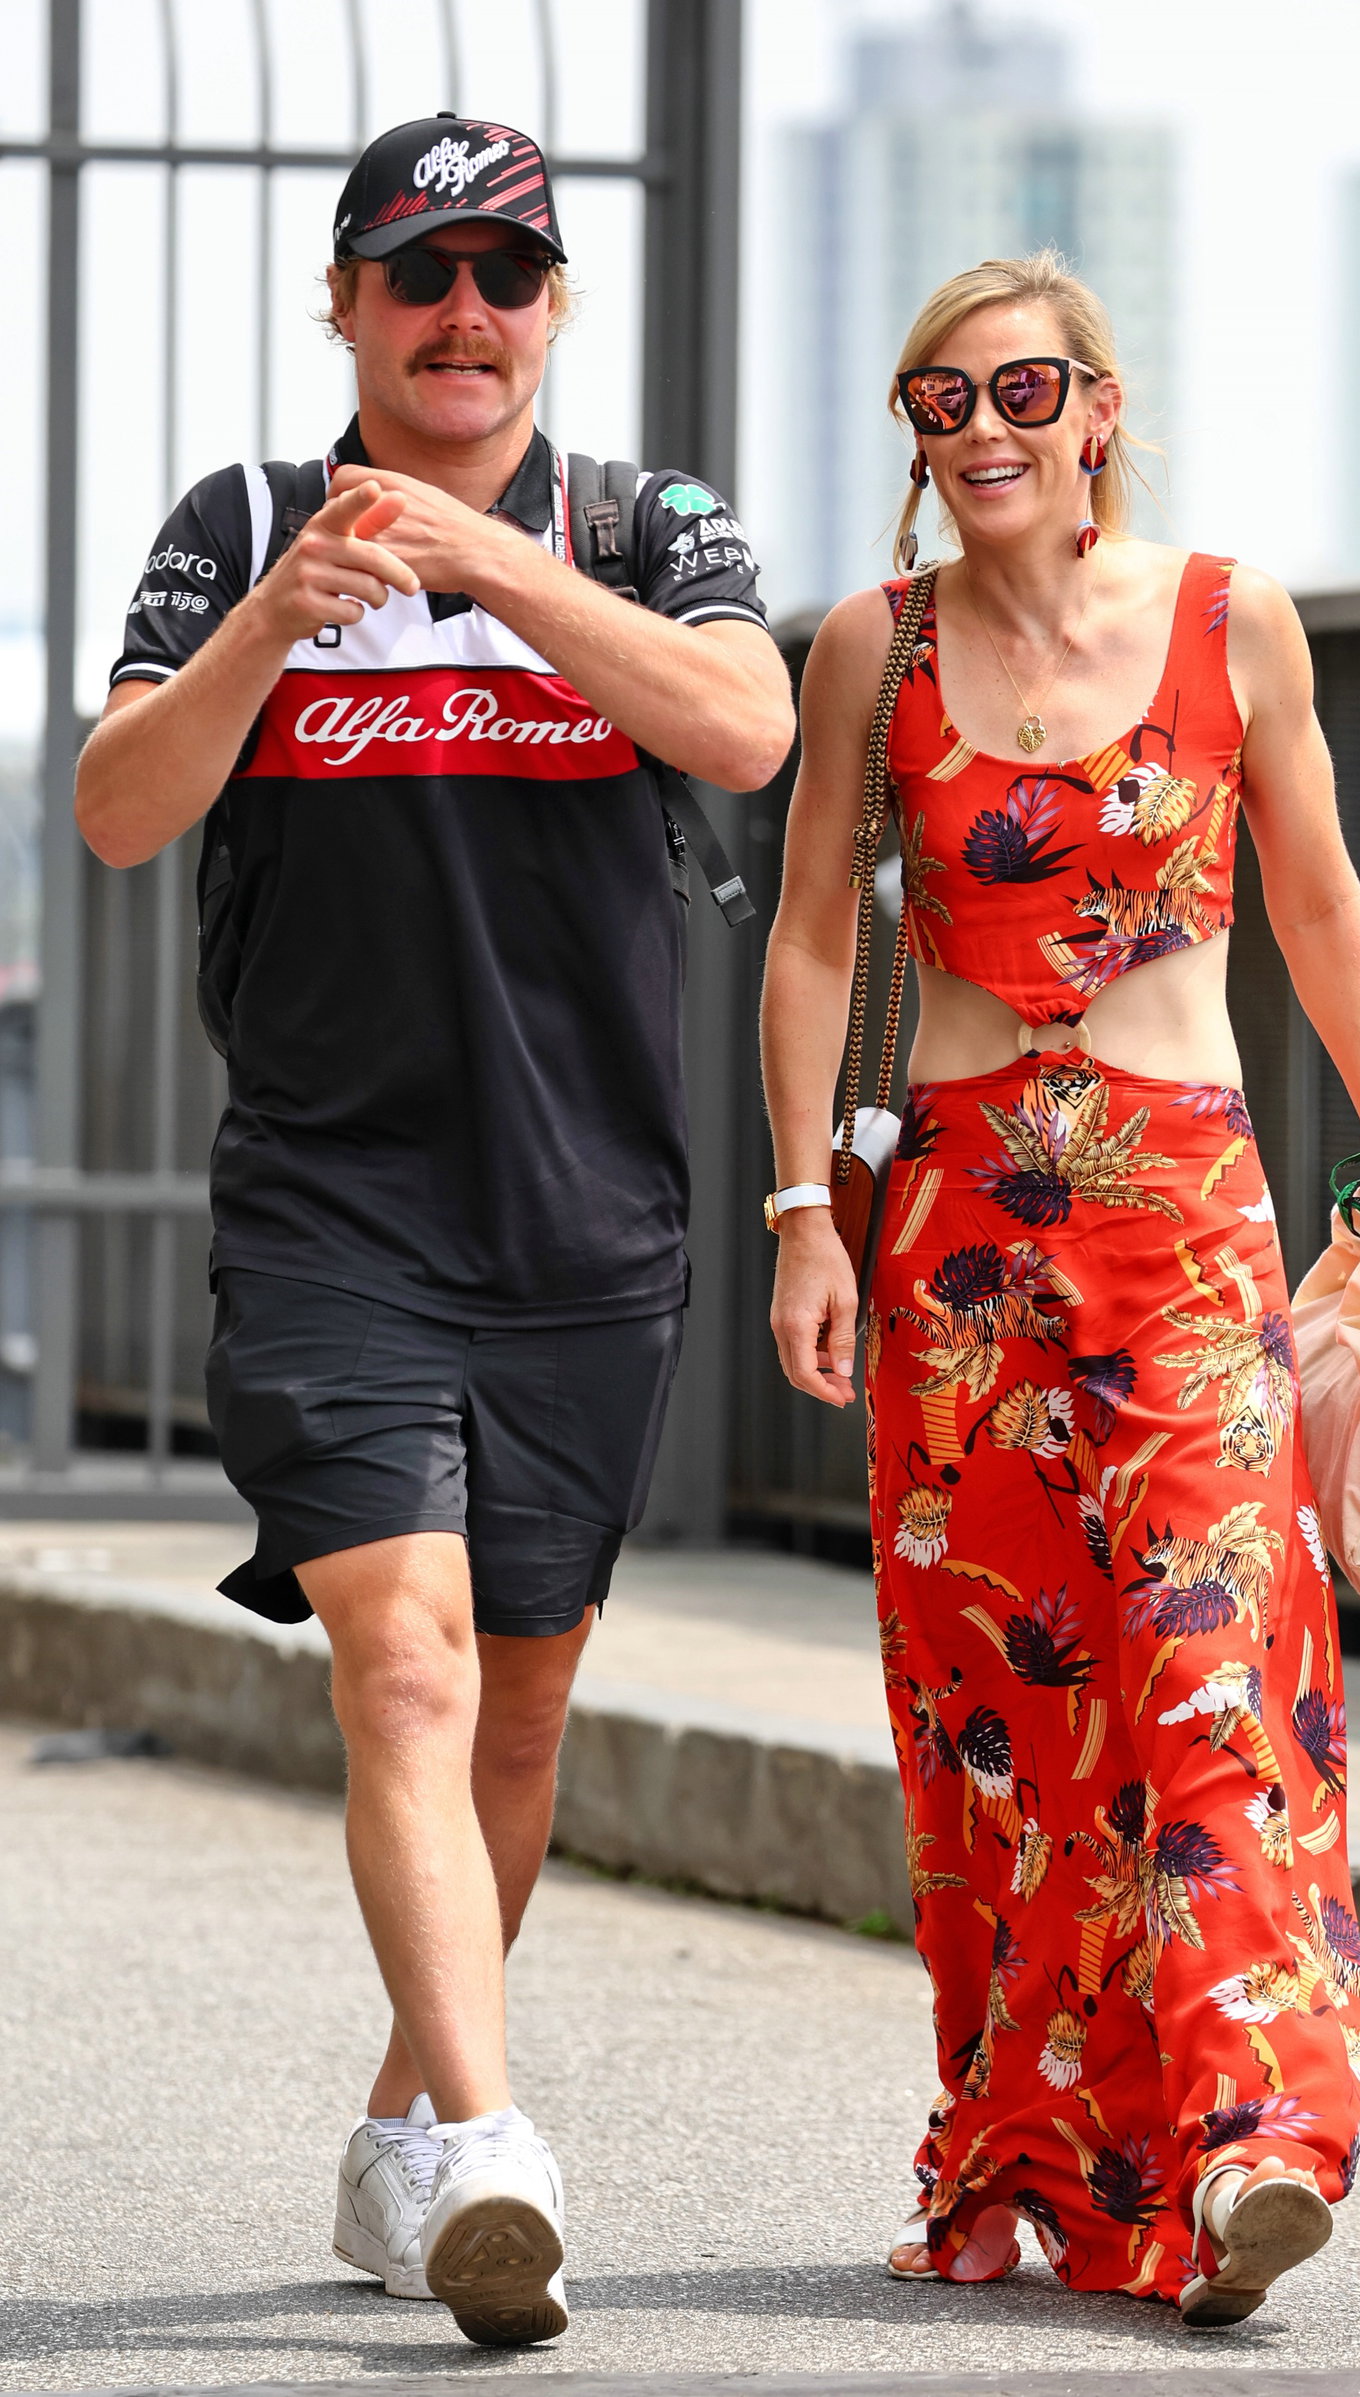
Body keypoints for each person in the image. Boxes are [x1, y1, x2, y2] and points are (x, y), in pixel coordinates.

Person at [76, 113, 793, 2349]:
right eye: (418, 276)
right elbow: (115, 813)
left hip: (586, 1210)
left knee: (521, 1708)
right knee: (402, 1658)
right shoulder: (243, 528)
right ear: (346, 305)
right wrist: (266, 636)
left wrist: (492, 574)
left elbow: (749, 729)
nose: (461, 313)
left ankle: (405, 2132)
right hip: (332, 1205)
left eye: (504, 275)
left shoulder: (642, 525)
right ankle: (489, 2139)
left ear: (552, 309)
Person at [761, 250, 1360, 2325]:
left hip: (1185, 1221)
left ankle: (1247, 2146)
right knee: (997, 1721)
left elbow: (1314, 895)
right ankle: (1031, 2150)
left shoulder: (1231, 620)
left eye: (1020, 391)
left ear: (1098, 407)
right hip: (956, 1241)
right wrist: (804, 1209)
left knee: (1215, 1669)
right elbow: (804, 938)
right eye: (938, 404)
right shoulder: (869, 647)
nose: (981, 431)